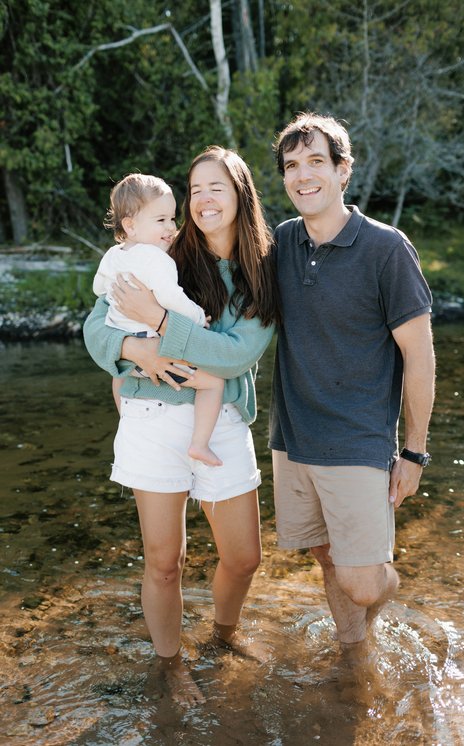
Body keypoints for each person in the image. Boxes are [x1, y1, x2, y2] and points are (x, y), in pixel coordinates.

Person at [83, 146, 280, 706]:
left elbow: (236, 355)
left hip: (222, 419)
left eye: (217, 186)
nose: (204, 199)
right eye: (195, 189)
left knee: (243, 557)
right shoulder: (161, 252)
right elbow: (96, 326)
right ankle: (169, 664)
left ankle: (224, 635)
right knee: (164, 561)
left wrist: (161, 323)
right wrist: (131, 349)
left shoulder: (259, 271)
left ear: (241, 194)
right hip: (153, 415)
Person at [268, 113, 436, 664]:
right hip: (292, 437)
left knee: (361, 580)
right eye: (292, 165)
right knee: (325, 556)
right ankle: (355, 657)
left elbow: (419, 356)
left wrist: (413, 451)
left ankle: (384, 590)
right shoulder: (283, 243)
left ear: (343, 171)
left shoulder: (386, 250)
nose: (303, 175)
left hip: (358, 438)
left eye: (316, 161)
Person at [93, 173, 225, 467]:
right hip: (156, 348)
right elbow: (171, 298)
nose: (171, 227)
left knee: (118, 377)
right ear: (130, 225)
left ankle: (125, 421)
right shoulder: (157, 259)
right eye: (161, 220)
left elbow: (98, 288)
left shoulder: (113, 255)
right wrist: (197, 317)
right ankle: (200, 444)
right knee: (213, 383)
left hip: (130, 357)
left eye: (172, 219)